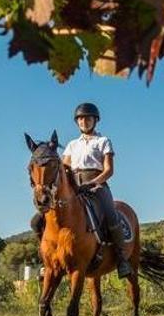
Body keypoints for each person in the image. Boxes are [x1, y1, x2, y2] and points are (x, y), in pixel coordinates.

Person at [30, 102, 132, 278]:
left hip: (97, 185)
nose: (84, 121)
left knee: (110, 214)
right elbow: (64, 168)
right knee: (38, 220)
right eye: (81, 119)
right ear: (77, 122)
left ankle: (122, 259)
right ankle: (46, 261)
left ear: (95, 120)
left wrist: (93, 183)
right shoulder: (71, 145)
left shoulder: (103, 141)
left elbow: (109, 170)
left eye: (88, 118)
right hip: (73, 186)